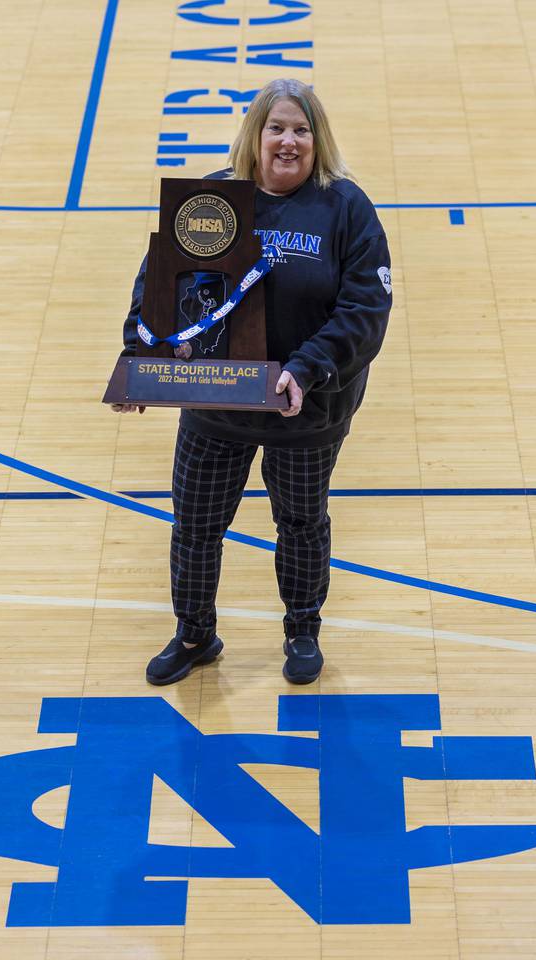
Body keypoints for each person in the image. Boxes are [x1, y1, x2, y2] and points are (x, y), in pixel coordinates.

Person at [112, 78, 392, 685]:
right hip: (217, 404)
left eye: (301, 129)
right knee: (196, 523)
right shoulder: (213, 199)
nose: (288, 142)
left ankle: (301, 630)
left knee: (300, 521)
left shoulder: (346, 207)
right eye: (276, 128)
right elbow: (160, 285)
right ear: (254, 137)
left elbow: (365, 311)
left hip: (306, 408)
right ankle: (194, 633)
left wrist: (306, 367)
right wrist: (145, 357)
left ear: (318, 140)